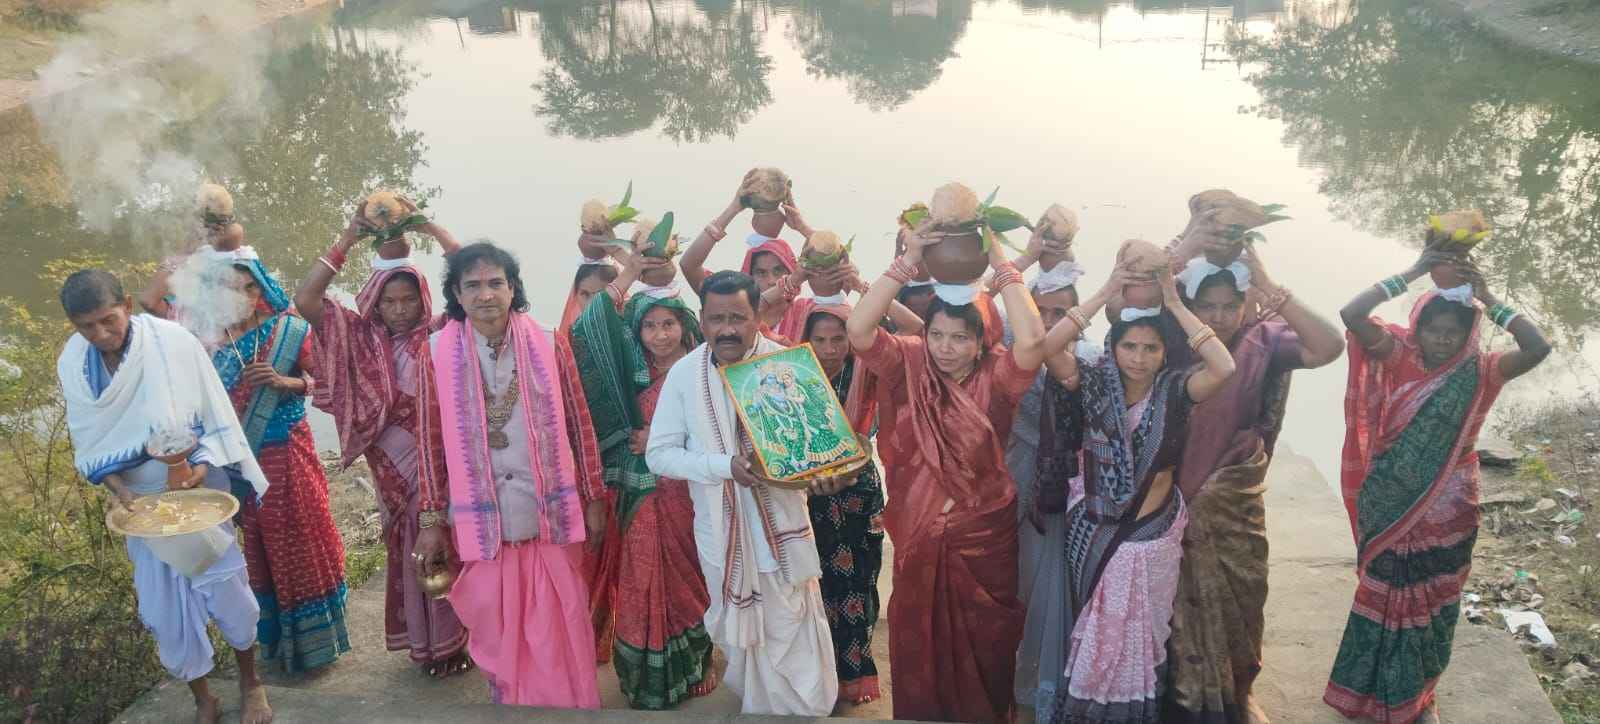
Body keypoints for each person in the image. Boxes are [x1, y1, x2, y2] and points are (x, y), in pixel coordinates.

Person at [1323, 253, 1549, 724]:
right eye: (1434, 329)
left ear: (1469, 334)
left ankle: (1418, 697)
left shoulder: (1483, 371)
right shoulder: (1398, 356)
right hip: (1389, 498)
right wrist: (1412, 272)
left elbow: (1537, 347)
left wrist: (1488, 298)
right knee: (1382, 591)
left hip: (1449, 504)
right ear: (1417, 328)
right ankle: (1364, 691)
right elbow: (1351, 314)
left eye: (1453, 332)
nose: (1443, 338)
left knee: (1432, 602)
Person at [844, 223, 1047, 723]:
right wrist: (907, 262)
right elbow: (860, 330)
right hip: (918, 533)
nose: (945, 348)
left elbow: (1033, 340)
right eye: (936, 334)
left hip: (985, 539)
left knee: (988, 648)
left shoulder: (1000, 377)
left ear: (982, 342)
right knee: (918, 643)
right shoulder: (909, 364)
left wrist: (1001, 263)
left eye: (960, 338)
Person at [57, 270, 274, 724]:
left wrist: (200, 468)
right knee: (164, 611)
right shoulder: (73, 363)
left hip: (196, 488)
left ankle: (251, 683)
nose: (101, 334)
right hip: (140, 505)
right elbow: (90, 440)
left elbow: (214, 413)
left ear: (127, 305)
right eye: (87, 327)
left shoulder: (173, 342)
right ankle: (203, 698)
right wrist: (120, 491)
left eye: (108, 320)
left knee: (228, 592)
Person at [1032, 257, 1237, 724]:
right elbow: (1049, 346)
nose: (1139, 358)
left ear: (1165, 353)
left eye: (1150, 348)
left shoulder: (1176, 391)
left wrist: (1174, 303)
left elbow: (1223, 366)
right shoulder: (1091, 382)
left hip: (1153, 532)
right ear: (1114, 345)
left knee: (1142, 634)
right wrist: (1107, 290)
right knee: (1099, 628)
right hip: (1096, 527)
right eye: (1129, 346)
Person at [411, 242, 607, 708]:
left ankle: (570, 711)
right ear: (456, 294)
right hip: (484, 527)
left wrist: (595, 495)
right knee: (501, 638)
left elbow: (580, 422)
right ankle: (515, 706)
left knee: (562, 629)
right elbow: (429, 441)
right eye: (473, 285)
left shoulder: (550, 341)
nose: (485, 295)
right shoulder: (435, 353)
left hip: (549, 519)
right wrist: (431, 520)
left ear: (513, 288)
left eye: (495, 283)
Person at [645, 270, 848, 716]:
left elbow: (822, 451)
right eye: (717, 319)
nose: (727, 329)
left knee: (794, 631)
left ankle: (803, 712)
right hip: (720, 536)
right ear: (702, 320)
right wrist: (724, 467)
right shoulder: (683, 375)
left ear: (758, 317)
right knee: (741, 645)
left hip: (784, 532)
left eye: (738, 317)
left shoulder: (788, 366)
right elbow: (658, 455)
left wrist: (829, 476)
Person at [1162, 237, 1345, 724]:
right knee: (1171, 600)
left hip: (1233, 497)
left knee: (1245, 591)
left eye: (1230, 306)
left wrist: (1269, 284)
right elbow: (1123, 304)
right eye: (1208, 306)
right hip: (1170, 494)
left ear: (1246, 304)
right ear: (1189, 303)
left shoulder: (1264, 340)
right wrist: (1189, 242)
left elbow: (1329, 345)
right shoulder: (1172, 336)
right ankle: (1181, 693)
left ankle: (1239, 690)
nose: (1219, 317)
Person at [294, 206, 471, 678]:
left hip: (439, 465)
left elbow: (472, 277)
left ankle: (458, 640)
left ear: (423, 298)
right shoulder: (357, 335)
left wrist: (429, 227)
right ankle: (427, 643)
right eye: (389, 301)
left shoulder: (441, 333)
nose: (399, 310)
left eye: (408, 300)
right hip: (389, 468)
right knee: (410, 545)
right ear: (374, 300)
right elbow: (307, 298)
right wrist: (347, 238)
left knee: (449, 541)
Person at [568, 250, 718, 708]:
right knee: (641, 575)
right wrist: (629, 270)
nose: (660, 335)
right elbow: (585, 330)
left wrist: (663, 437)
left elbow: (721, 426)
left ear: (684, 326)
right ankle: (644, 677)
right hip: (642, 490)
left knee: (694, 576)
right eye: (649, 326)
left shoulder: (705, 367)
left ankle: (699, 660)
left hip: (691, 491)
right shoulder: (629, 371)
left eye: (668, 324)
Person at [204, 251, 351, 674]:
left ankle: (317, 644)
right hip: (242, 465)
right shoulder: (209, 342)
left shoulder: (288, 330)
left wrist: (283, 381)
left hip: (288, 452)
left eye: (248, 286)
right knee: (260, 548)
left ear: (260, 288)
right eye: (229, 288)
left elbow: (327, 380)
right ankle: (275, 644)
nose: (241, 296)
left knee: (301, 542)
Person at [1006, 237, 1103, 721]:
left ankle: (1039, 686)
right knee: (1010, 581)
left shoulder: (1092, 360)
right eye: (1039, 311)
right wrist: (1024, 257)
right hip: (1011, 474)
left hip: (1063, 485)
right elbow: (979, 296)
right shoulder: (1012, 350)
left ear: (1078, 315)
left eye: (1059, 312)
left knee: (1049, 586)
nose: (1047, 322)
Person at [801, 303, 886, 706]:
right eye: (819, 339)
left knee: (860, 582)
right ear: (806, 340)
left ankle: (856, 674)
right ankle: (822, 676)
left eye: (839, 339)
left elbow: (913, 333)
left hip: (859, 491)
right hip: (811, 492)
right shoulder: (794, 378)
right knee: (818, 586)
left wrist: (861, 289)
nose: (830, 349)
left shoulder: (867, 372)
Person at [679, 178, 808, 296]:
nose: (771, 281)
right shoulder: (731, 305)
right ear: (749, 277)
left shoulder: (806, 310)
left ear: (792, 271)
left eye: (778, 271)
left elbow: (820, 262)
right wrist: (734, 208)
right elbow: (689, 266)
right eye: (761, 273)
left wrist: (802, 227)